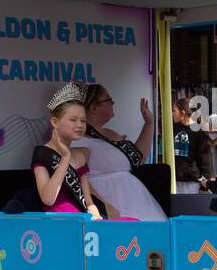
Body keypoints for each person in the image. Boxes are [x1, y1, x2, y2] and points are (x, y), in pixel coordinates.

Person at [75, 82, 165, 221]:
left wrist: (149, 123)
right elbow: (79, 176)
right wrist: (99, 203)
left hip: (135, 199)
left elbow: (137, 158)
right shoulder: (78, 139)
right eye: (108, 100)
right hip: (105, 200)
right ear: (93, 107)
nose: (113, 103)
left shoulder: (111, 133)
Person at [33, 85, 104, 217]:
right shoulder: (42, 154)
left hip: (83, 220)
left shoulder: (81, 155)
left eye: (83, 121)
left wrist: (97, 217)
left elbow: (88, 202)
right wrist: (65, 158)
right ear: (55, 122)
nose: (80, 125)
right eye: (73, 120)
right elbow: (48, 199)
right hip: (61, 222)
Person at [172, 99, 212, 195]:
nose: (172, 113)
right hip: (175, 180)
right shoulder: (173, 129)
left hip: (192, 182)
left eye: (174, 110)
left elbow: (205, 159)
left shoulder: (199, 132)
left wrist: (204, 183)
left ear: (183, 112)